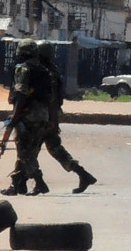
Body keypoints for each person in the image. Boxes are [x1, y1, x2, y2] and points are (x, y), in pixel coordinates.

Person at [35, 40, 97, 194]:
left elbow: (52, 98)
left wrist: (52, 120)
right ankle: (83, 174)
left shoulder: (44, 72)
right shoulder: (51, 70)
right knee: (54, 148)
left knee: (28, 151)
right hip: (50, 116)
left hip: (44, 117)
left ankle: (33, 182)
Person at [0, 39, 51, 196]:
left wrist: (15, 115)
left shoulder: (23, 69)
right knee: (30, 151)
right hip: (43, 115)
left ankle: (40, 183)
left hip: (28, 115)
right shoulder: (44, 70)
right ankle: (17, 185)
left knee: (24, 153)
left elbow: (21, 94)